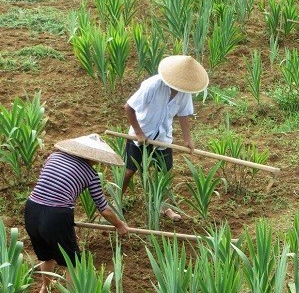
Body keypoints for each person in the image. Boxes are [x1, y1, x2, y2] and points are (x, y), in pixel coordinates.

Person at [24, 134, 129, 293]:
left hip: (31, 209)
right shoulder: (90, 174)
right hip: (56, 215)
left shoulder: (54, 157)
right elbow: (103, 208)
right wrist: (119, 224)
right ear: (93, 157)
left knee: (47, 255)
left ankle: (44, 288)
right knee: (72, 263)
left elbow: (46, 183)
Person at [121, 55, 209, 222]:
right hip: (140, 135)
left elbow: (183, 115)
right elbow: (129, 107)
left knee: (165, 174)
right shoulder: (152, 85)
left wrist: (187, 139)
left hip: (163, 138)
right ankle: (117, 203)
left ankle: (165, 207)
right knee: (129, 172)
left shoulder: (184, 92)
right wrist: (139, 133)